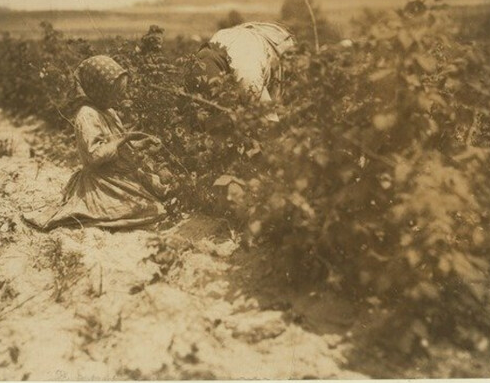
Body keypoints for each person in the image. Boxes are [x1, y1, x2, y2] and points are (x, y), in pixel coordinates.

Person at [22, 55, 167, 231]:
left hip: (118, 175)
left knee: (158, 193)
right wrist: (125, 137)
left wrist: (142, 143)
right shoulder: (86, 115)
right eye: (114, 95)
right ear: (98, 90)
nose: (119, 99)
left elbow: (119, 147)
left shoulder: (109, 111)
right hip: (102, 180)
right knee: (150, 209)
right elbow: (95, 157)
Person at [192, 22, 296, 121]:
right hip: (220, 66)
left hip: (206, 60)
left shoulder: (243, 39)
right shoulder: (249, 59)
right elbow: (263, 111)